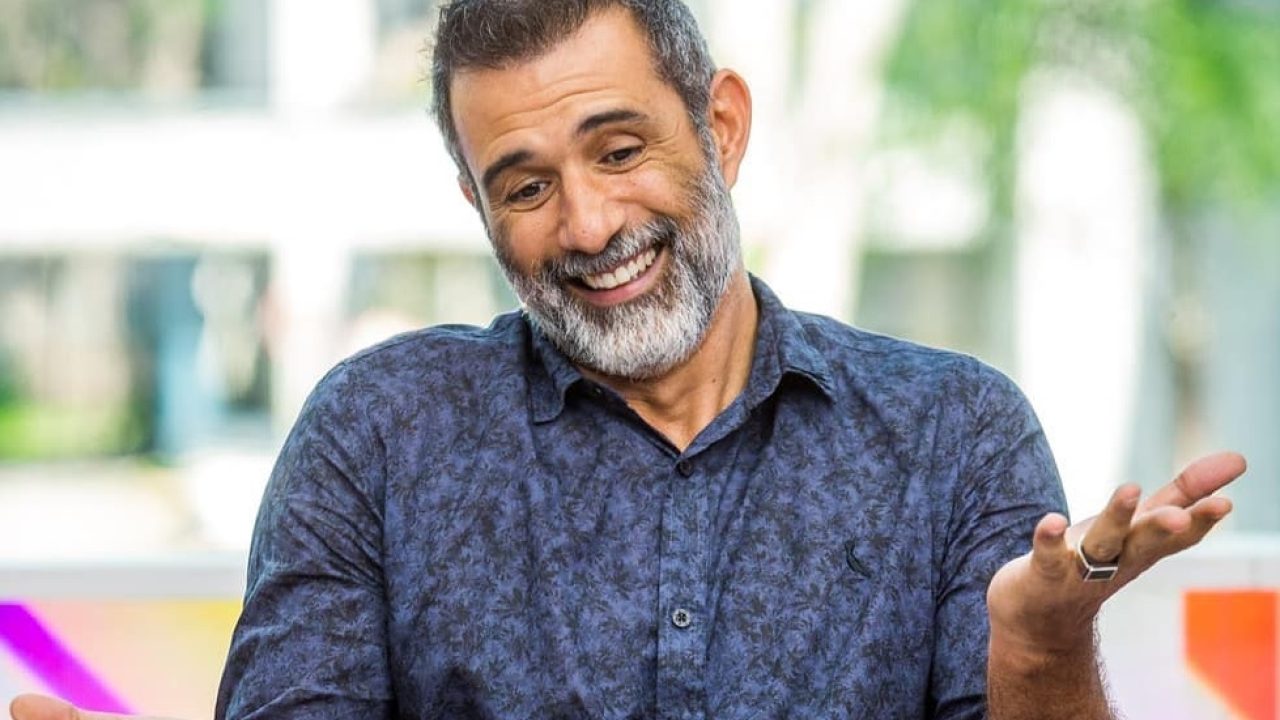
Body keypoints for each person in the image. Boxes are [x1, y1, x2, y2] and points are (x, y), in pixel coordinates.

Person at [9, 1, 1246, 718]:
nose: (589, 225)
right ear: (475, 206)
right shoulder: (377, 433)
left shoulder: (950, 431)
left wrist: (1036, 648)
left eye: (617, 151)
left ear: (721, 128)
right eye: (525, 185)